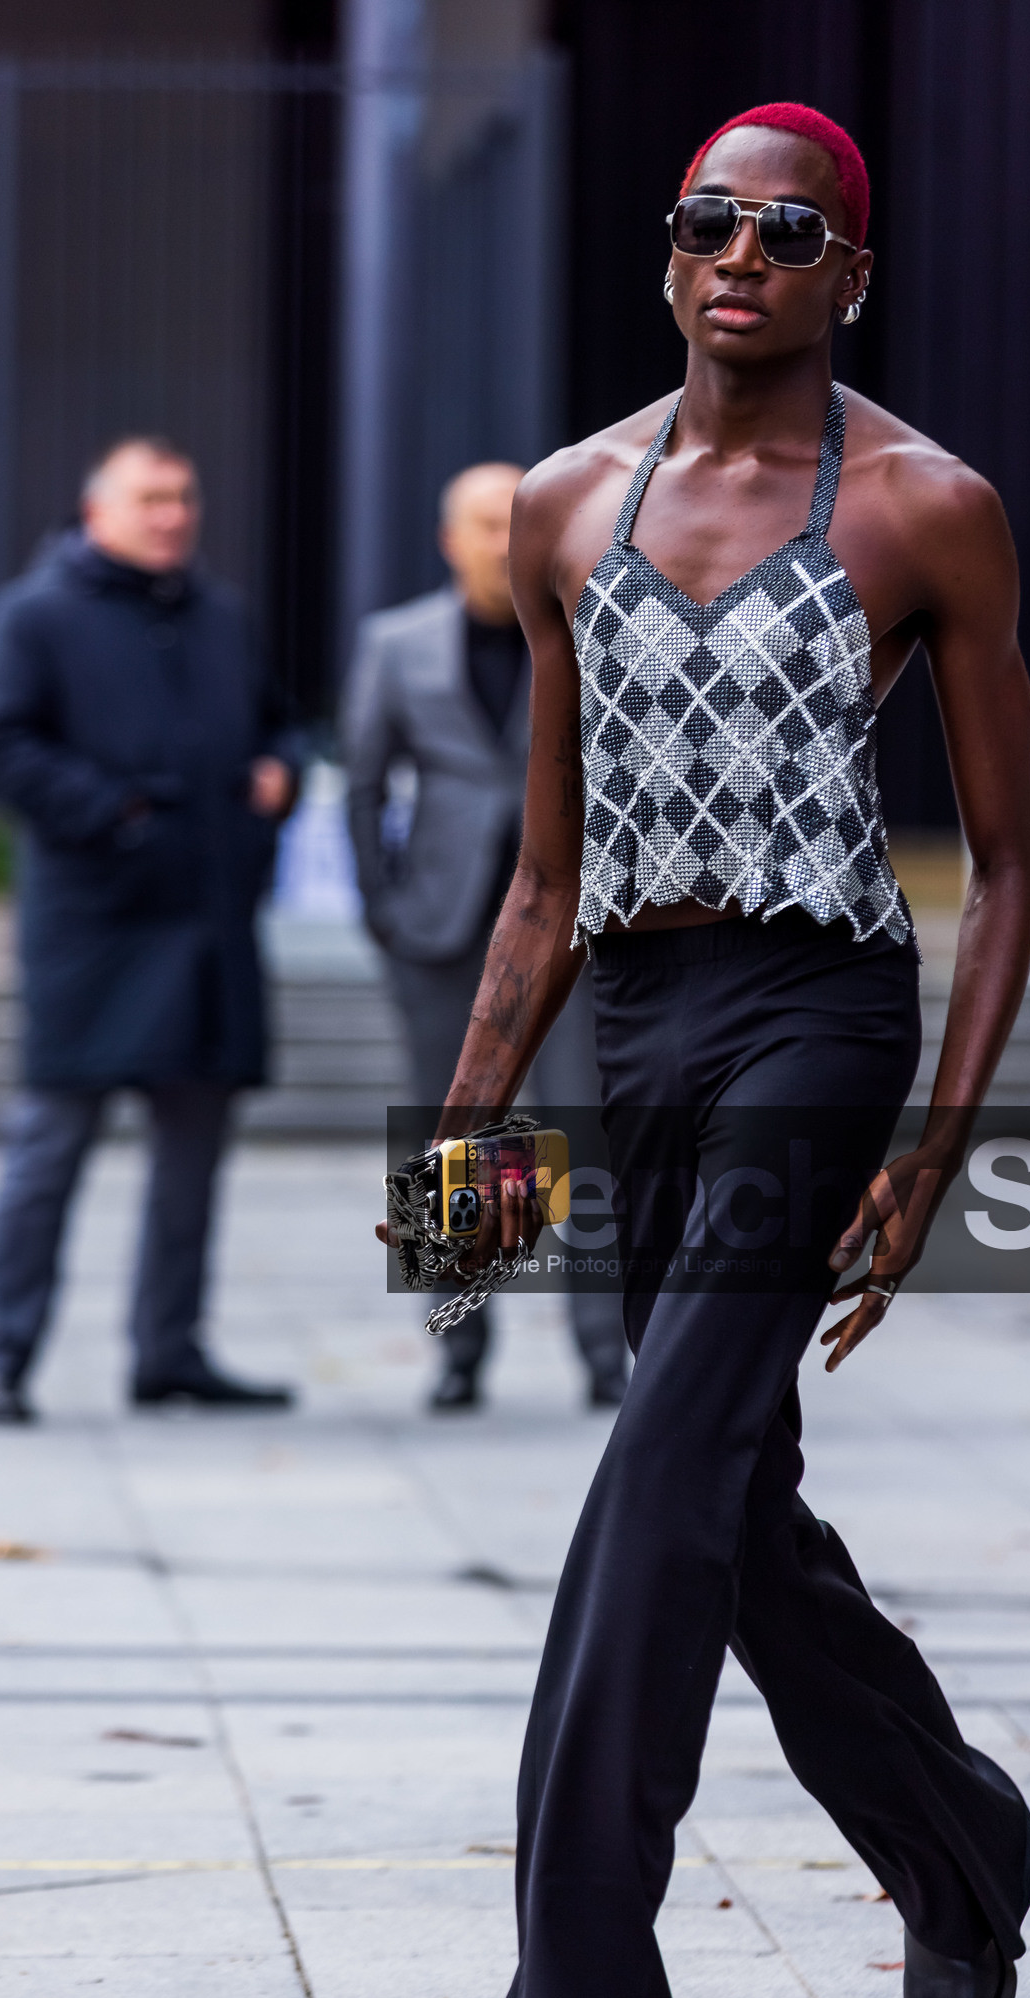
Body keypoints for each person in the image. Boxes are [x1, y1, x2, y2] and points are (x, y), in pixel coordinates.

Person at [378, 102, 1030, 1998]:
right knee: (730, 1510)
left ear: (849, 266)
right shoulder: (566, 504)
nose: (735, 253)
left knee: (653, 1483)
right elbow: (543, 872)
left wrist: (929, 1153)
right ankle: (958, 1839)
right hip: (637, 1030)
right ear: (663, 259)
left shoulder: (925, 506)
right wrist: (458, 1166)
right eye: (702, 222)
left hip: (814, 1022)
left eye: (785, 227)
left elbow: (1004, 858)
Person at [0, 436, 304, 1424]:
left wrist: (276, 770)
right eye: (152, 498)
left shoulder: (220, 613)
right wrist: (116, 813)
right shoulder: (35, 615)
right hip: (95, 928)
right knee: (50, 1144)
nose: (174, 515)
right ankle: (3, 1354)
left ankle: (171, 1351)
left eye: (185, 496)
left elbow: (276, 721)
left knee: (195, 1152)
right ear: (95, 508)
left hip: (210, 925)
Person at [343, 463, 629, 1410]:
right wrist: (382, 907)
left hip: (576, 928)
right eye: (481, 522)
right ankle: (459, 1349)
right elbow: (362, 784)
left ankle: (604, 1352)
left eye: (517, 521)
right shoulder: (395, 644)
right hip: (444, 927)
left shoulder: (595, 628)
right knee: (456, 1139)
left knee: (583, 1131)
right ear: (447, 538)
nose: (502, 539)